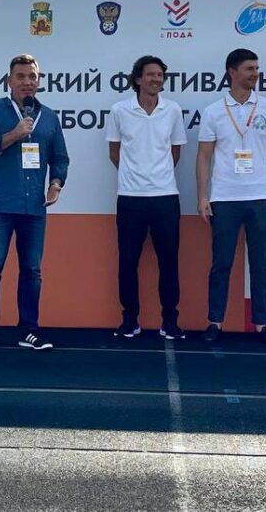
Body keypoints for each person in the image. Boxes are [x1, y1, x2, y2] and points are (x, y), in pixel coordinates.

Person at [0, 54, 69, 354]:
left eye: (32, 77)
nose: (27, 82)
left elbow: (60, 157)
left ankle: (29, 330)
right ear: (9, 81)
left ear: (39, 81)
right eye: (21, 76)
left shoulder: (48, 117)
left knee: (32, 271)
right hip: (0, 205)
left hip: (34, 208)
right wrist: (13, 134)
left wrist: (56, 183)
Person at [197, 48, 266, 344]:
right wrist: (202, 196)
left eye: (257, 69)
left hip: (261, 198)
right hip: (224, 198)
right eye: (249, 69)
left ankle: (261, 324)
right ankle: (215, 322)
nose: (255, 74)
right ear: (232, 72)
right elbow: (204, 156)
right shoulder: (213, 111)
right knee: (221, 264)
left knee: (260, 265)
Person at [106, 55, 188, 340]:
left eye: (160, 75)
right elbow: (114, 152)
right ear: (138, 79)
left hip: (166, 197)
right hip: (130, 197)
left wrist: (157, 176)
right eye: (151, 75)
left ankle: (170, 321)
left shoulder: (172, 110)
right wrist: (136, 177)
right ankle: (130, 320)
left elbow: (175, 151)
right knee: (128, 261)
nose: (156, 79)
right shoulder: (119, 110)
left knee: (169, 261)